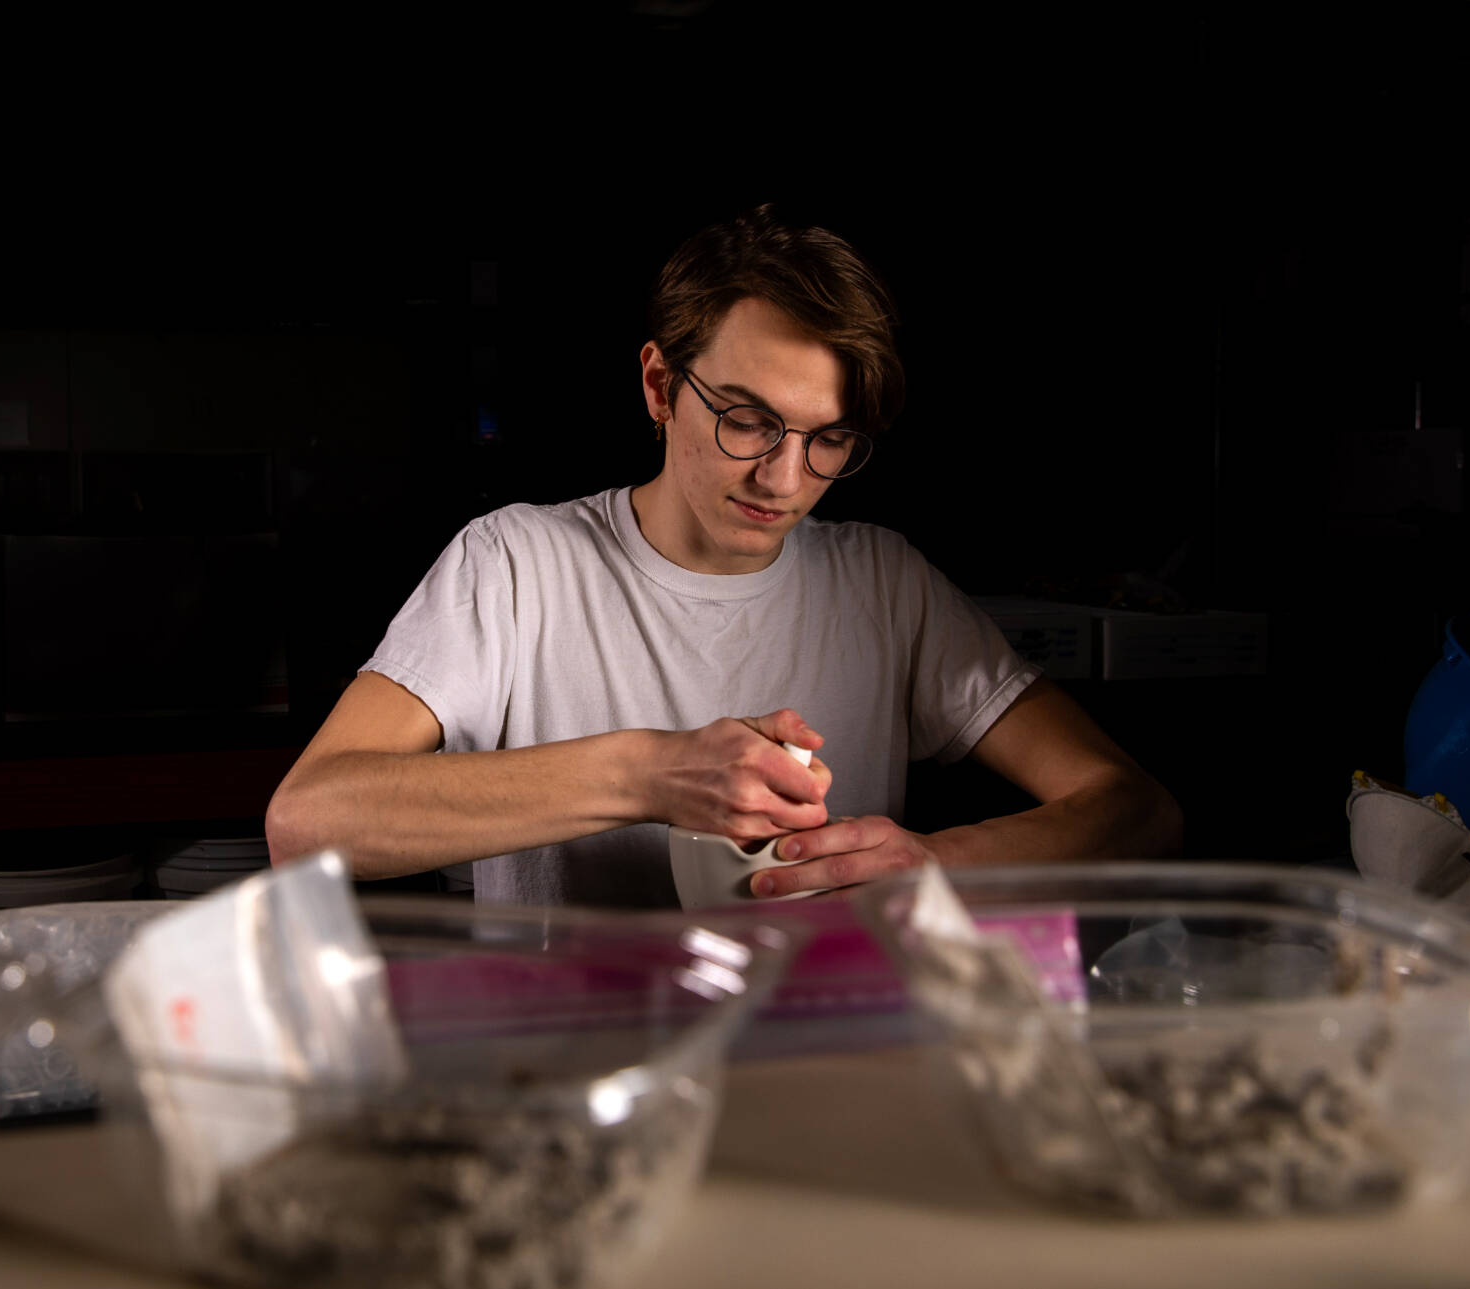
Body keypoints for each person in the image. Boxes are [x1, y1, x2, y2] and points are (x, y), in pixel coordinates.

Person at [266, 204, 1182, 907]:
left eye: (828, 439)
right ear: (661, 385)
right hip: (569, 1066)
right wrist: (649, 774)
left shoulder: (883, 581)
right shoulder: (516, 564)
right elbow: (309, 821)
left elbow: (1135, 808)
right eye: (748, 419)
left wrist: (930, 860)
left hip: (814, 1052)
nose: (784, 477)